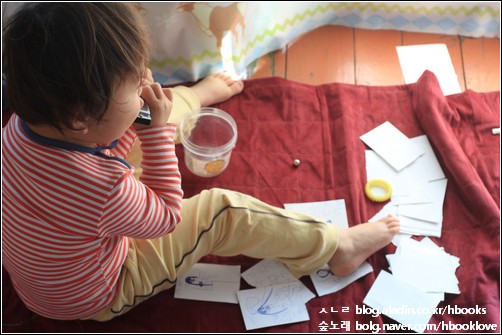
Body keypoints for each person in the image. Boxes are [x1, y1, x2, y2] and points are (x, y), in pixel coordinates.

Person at [1, 3, 400, 322]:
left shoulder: (18, 128)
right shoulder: (106, 188)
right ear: (80, 117)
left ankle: (196, 97)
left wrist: (144, 119)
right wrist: (156, 138)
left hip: (45, 271)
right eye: (136, 82)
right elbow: (168, 216)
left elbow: (107, 141)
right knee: (220, 211)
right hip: (99, 293)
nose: (149, 81)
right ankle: (336, 246)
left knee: (147, 116)